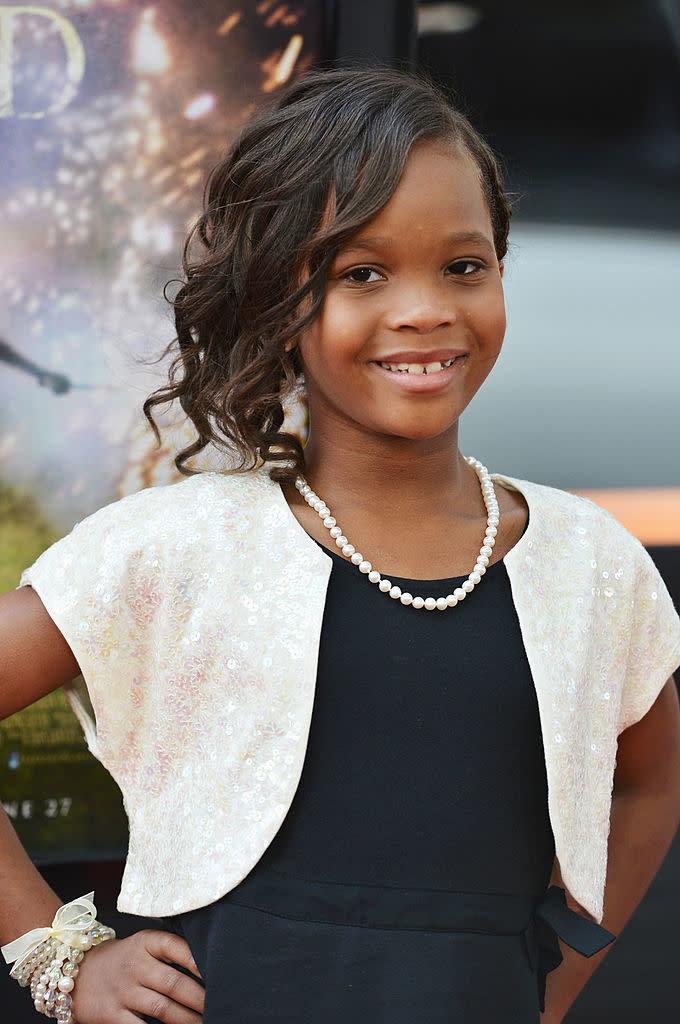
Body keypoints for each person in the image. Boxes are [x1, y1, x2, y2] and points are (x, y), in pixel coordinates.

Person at [1, 67, 680, 1024]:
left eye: (464, 266)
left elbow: (649, 783)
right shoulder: (179, 549)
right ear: (280, 302)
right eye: (363, 273)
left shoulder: (590, 564)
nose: (424, 310)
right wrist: (54, 953)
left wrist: (550, 988)